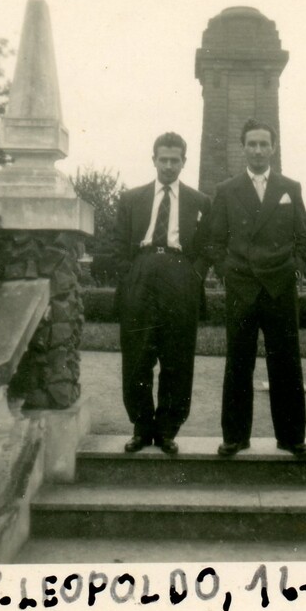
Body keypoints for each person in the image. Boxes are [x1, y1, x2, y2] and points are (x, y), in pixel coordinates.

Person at [210, 118, 306, 458]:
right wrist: (226, 272)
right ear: (243, 148)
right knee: (238, 363)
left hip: (280, 286)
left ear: (273, 148)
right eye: (251, 144)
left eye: (263, 144)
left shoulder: (290, 188)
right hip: (242, 287)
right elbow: (215, 241)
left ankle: (291, 437)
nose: (257, 150)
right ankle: (235, 436)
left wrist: (296, 269)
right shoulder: (226, 190)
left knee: (287, 362)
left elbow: (303, 238)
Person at [113, 132, 211, 455]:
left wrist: (194, 276)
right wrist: (129, 276)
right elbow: (117, 244)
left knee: (177, 357)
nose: (169, 166)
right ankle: (141, 428)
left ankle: (168, 429)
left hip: (180, 274)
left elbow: (207, 247)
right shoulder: (131, 198)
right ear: (153, 160)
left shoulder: (200, 201)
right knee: (137, 355)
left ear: (184, 162)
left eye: (175, 160)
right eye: (163, 159)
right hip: (140, 273)